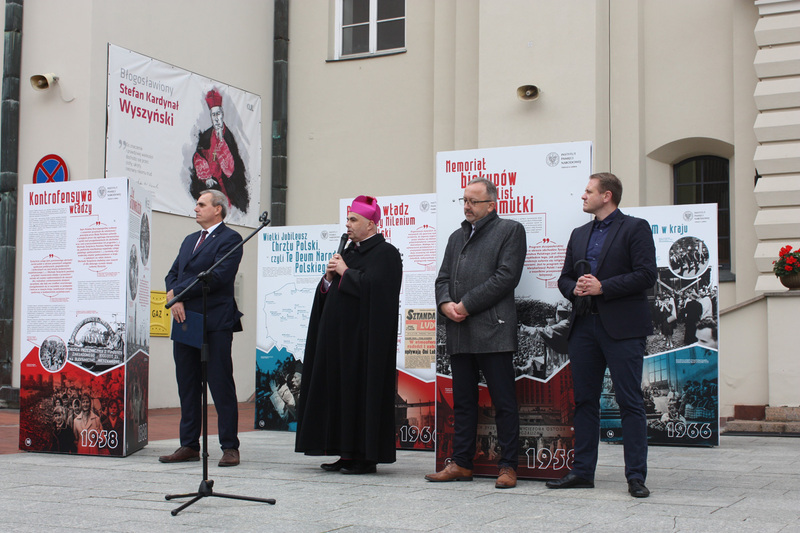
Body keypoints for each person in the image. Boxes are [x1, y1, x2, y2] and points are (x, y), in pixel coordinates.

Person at [548, 172, 656, 498]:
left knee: (629, 402)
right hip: (584, 327)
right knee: (584, 401)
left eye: (588, 191)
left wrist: (603, 287)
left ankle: (635, 477)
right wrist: (576, 288)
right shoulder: (579, 233)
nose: (583, 196)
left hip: (623, 329)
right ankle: (582, 472)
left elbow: (646, 275)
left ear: (607, 195)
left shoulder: (635, 227)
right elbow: (564, 278)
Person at [425, 178, 526, 490]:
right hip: (459, 331)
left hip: (494, 331)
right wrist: (445, 304)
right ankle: (461, 463)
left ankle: (508, 466)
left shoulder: (510, 230)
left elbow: (506, 277)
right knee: (464, 403)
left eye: (473, 201)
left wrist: (466, 304)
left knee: (504, 403)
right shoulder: (456, 237)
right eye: (464, 200)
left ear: (491, 205)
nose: (467, 206)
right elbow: (442, 278)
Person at [295, 195, 403, 475]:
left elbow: (380, 293)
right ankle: (344, 453)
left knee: (361, 396)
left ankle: (364, 458)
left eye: (354, 220)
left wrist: (346, 273)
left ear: (371, 225)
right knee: (340, 396)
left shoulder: (386, 254)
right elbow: (329, 295)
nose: (348, 225)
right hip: (338, 342)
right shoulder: (349, 253)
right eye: (347, 219)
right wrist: (328, 279)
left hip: (364, 344)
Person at [160, 189, 244, 467]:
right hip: (185, 321)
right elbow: (173, 274)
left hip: (215, 321)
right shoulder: (189, 240)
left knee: (220, 384)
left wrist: (178, 294)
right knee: (187, 383)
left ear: (218, 209)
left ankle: (230, 446)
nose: (195, 208)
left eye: (201, 204)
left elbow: (217, 276)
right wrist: (175, 299)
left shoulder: (230, 239)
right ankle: (189, 445)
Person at [190, 89, 250, 214]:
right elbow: (198, 156)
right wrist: (206, 177)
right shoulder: (206, 135)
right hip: (210, 183)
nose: (216, 119)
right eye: (213, 115)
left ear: (222, 114)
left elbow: (231, 168)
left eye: (218, 114)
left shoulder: (228, 137)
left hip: (226, 185)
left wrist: (221, 142)